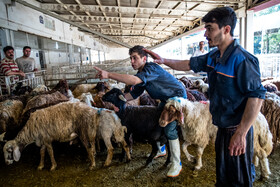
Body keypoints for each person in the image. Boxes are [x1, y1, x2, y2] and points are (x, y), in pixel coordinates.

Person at [144, 7, 266, 186]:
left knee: (239, 179)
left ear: (226, 29)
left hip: (237, 129)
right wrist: (164, 61)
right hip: (221, 129)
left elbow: (256, 97)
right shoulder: (214, 56)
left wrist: (241, 133)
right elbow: (188, 64)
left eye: (210, 28)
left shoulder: (243, 60)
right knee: (223, 177)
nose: (205, 34)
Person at [94, 45, 187, 177]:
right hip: (165, 99)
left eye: (135, 58)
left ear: (144, 58)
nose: (132, 61)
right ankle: (161, 150)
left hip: (176, 97)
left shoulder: (151, 68)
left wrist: (108, 74)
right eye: (130, 58)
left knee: (169, 129)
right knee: (158, 121)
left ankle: (176, 163)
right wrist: (117, 100)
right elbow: (132, 95)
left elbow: (134, 80)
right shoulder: (141, 75)